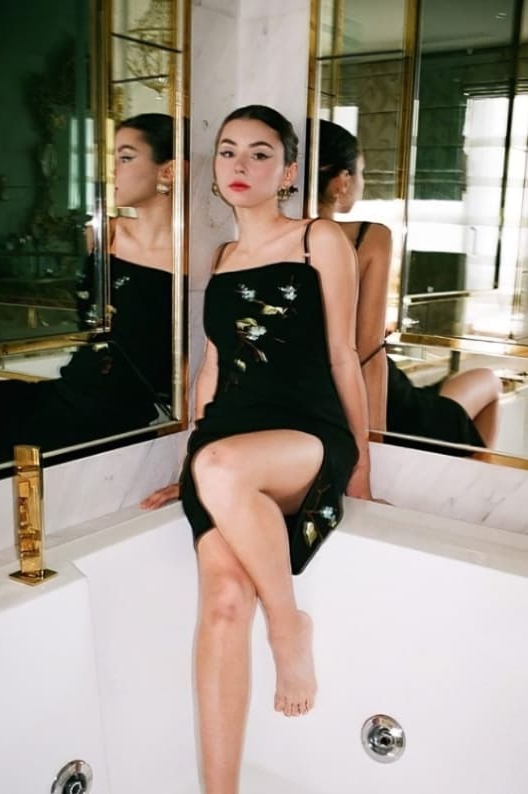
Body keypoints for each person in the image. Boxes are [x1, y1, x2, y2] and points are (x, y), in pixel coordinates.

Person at [142, 104, 371, 794]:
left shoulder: (317, 238)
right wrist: (189, 466)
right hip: (226, 446)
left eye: (260, 153)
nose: (240, 165)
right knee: (221, 604)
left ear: (289, 171)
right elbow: (213, 369)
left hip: (306, 435)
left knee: (221, 467)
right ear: (214, 169)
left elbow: (343, 356)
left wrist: (360, 469)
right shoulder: (220, 257)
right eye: (228, 151)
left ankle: (287, 627)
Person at [0, 112, 175, 476]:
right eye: (111, 157)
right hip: (68, 390)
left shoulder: (192, 259)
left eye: (125, 157)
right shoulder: (103, 237)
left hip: (111, 416)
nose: (111, 170)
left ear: (167, 171)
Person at [317, 119, 502, 453]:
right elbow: (368, 354)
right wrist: (375, 445)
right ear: (342, 181)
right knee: (489, 381)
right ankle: (473, 476)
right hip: (384, 400)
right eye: (362, 172)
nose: (362, 182)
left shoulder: (265, 243)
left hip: (328, 395)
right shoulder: (365, 238)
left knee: (471, 386)